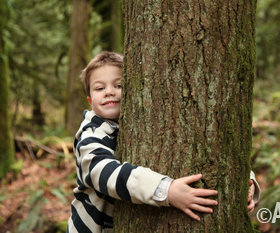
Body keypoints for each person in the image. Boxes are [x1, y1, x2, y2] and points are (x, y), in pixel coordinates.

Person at [67, 51, 260, 233]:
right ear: (90, 101)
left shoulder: (137, 122)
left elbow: (221, 146)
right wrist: (165, 190)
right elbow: (104, 172)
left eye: (119, 85)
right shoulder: (90, 134)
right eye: (100, 88)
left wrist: (246, 183)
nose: (110, 92)